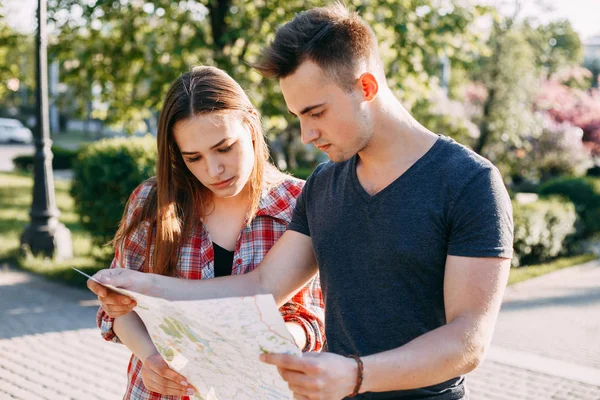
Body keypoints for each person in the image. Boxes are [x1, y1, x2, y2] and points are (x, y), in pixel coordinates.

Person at [89, 5, 513, 399]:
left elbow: (467, 340)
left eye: (316, 112)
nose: (307, 134)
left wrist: (356, 374)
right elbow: (260, 287)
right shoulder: (324, 183)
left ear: (366, 86)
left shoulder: (469, 182)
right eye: (297, 117)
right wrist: (146, 287)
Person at [95, 65, 325, 400]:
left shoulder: (300, 204)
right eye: (193, 158)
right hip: (164, 391)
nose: (213, 170)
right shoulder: (152, 202)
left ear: (249, 124)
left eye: (224, 147)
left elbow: (312, 318)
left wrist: (278, 344)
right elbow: (119, 309)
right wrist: (151, 358)